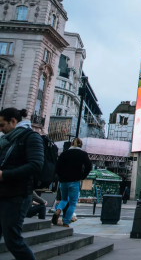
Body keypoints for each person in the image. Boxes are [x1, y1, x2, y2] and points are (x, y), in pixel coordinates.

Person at [0, 108, 44, 259]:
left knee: (13, 240)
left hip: (17, 196)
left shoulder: (31, 137)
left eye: (2, 125)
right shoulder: (7, 140)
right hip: (3, 192)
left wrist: (4, 175)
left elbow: (36, 165)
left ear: (13, 121)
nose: (0, 129)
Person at [52, 137, 91, 227]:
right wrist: (82, 176)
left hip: (63, 181)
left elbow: (57, 167)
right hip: (74, 181)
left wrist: (61, 176)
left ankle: (58, 210)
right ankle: (66, 222)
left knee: (64, 199)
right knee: (72, 203)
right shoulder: (83, 154)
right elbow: (88, 166)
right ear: (81, 145)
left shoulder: (64, 153)